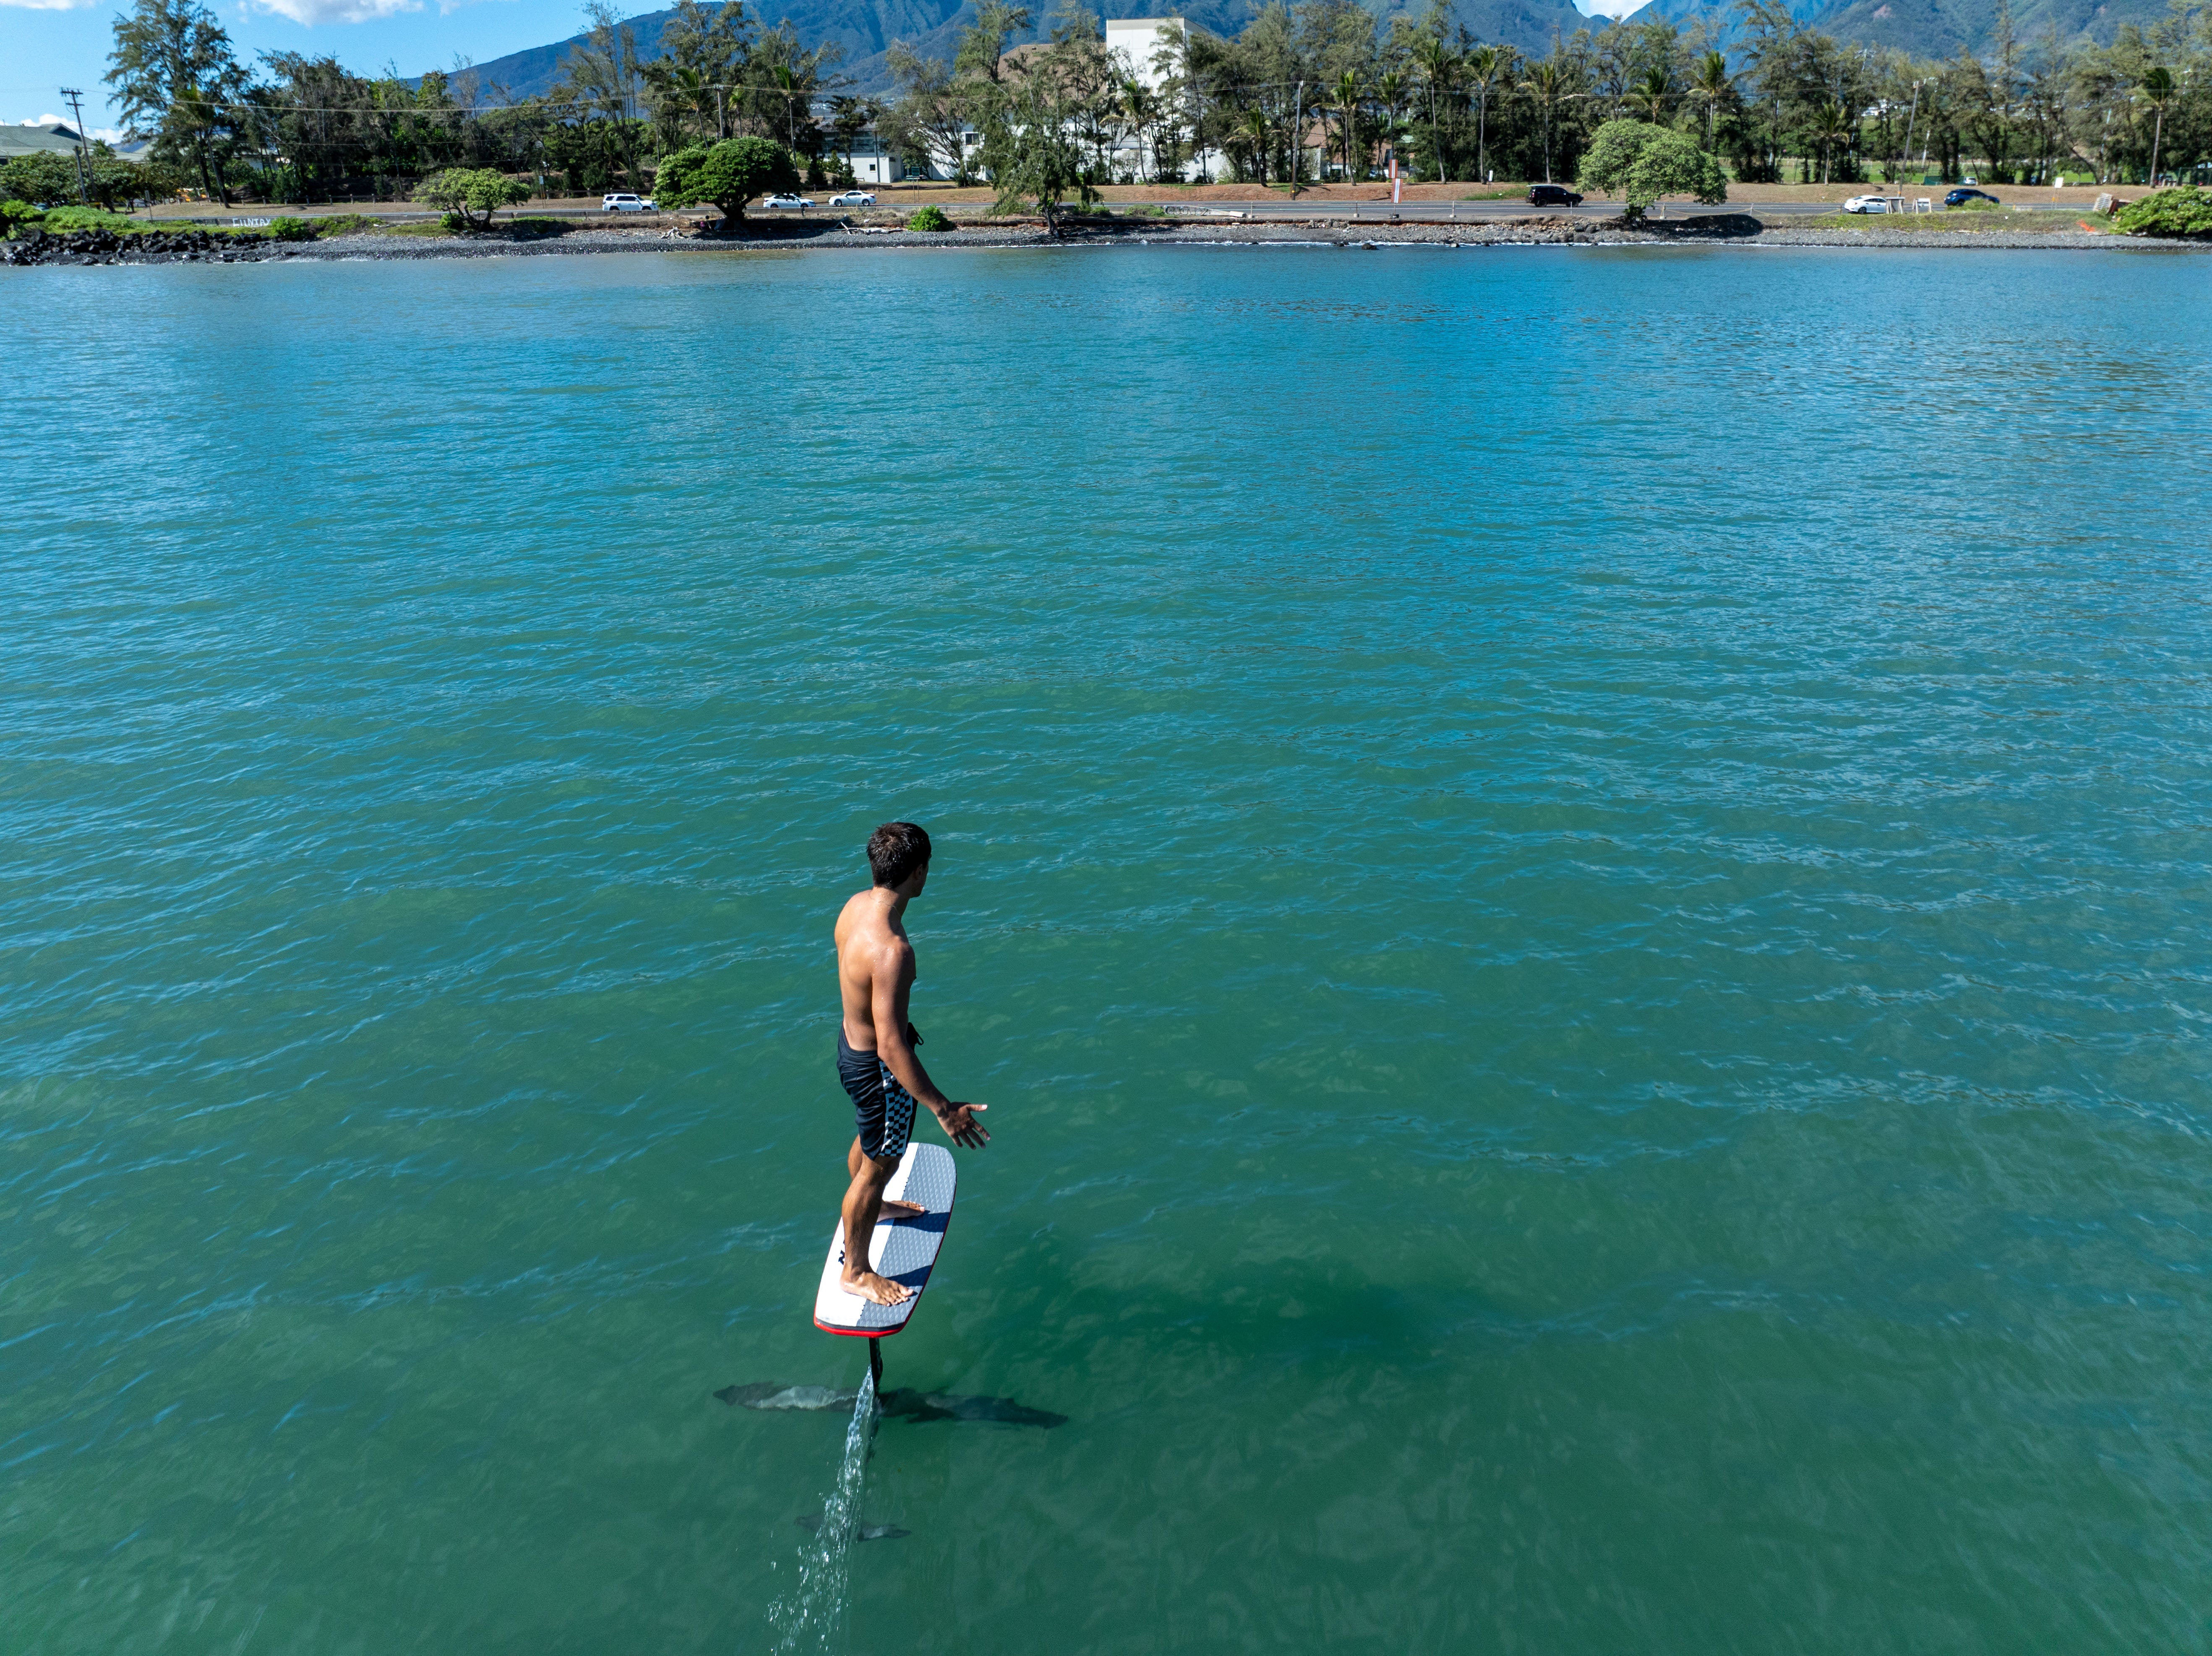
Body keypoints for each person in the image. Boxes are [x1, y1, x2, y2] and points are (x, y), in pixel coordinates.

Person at [832, 821, 989, 1306]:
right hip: (878, 1071)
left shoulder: (855, 907)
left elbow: (869, 1004)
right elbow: (891, 1049)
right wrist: (944, 1109)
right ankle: (857, 1271)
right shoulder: (893, 951)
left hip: (849, 1049)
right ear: (918, 872)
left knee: (872, 1142)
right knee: (881, 1162)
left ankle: (874, 1206)